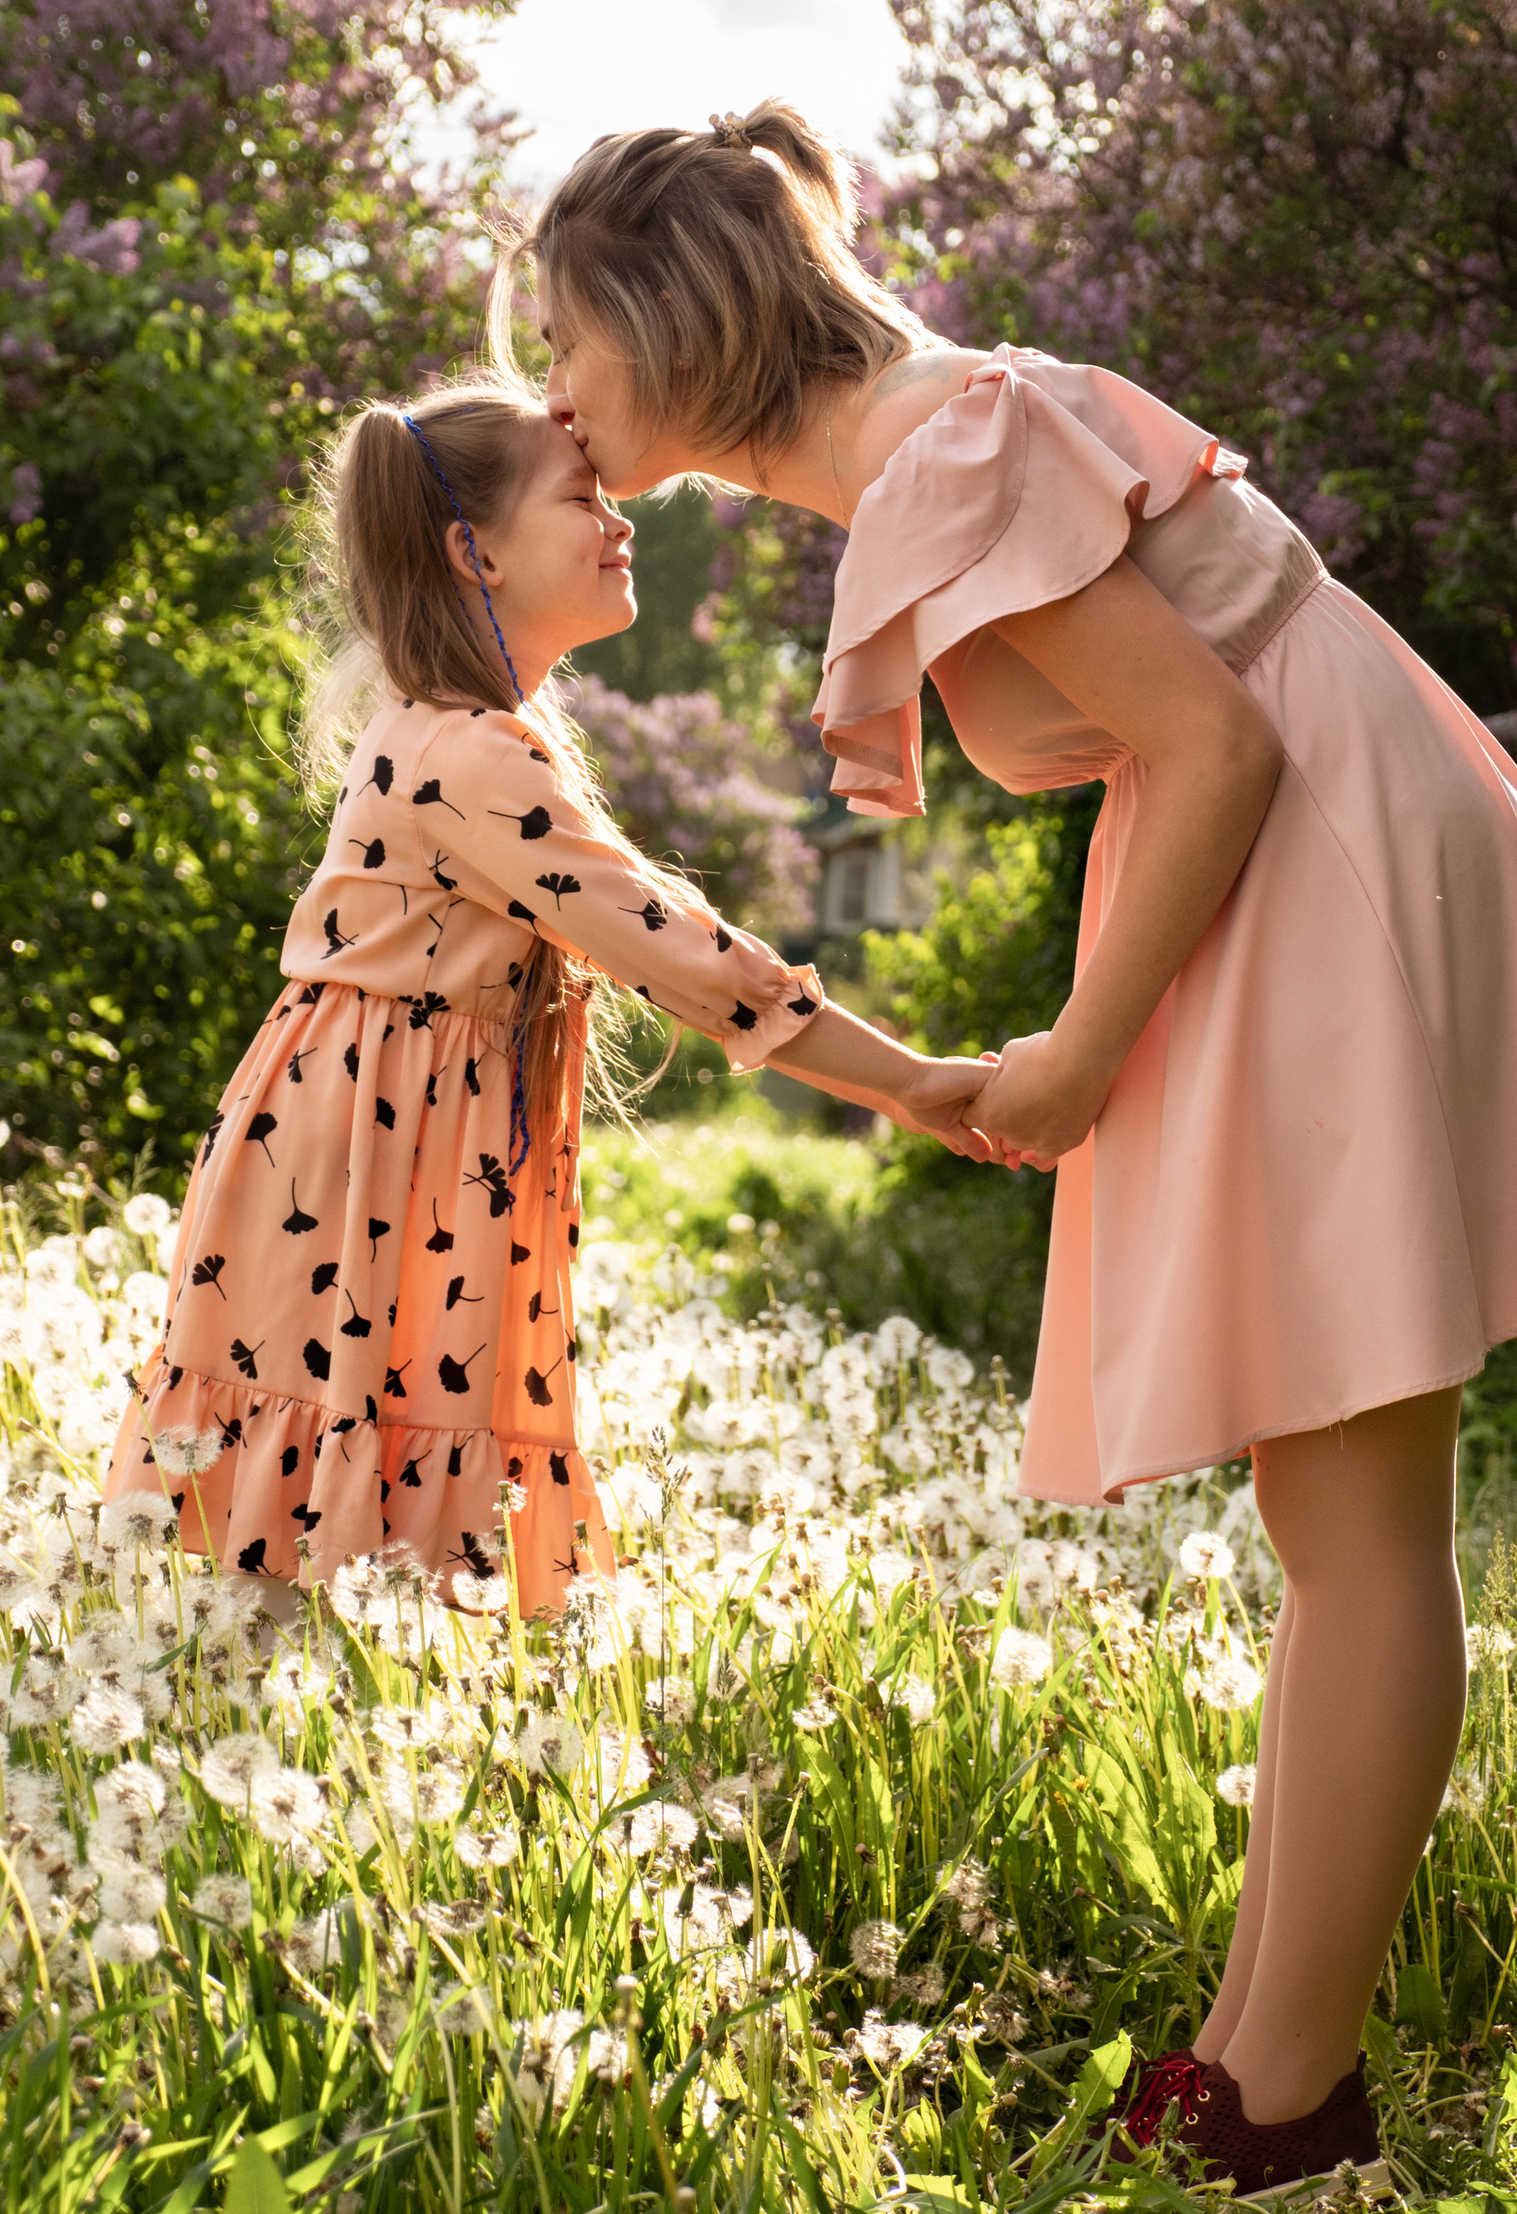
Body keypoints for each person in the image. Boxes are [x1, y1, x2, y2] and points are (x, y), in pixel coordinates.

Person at [501, 107, 1517, 2197]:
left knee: (1360, 1511)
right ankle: (1249, 2057)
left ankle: (1286, 2101)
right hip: (1317, 825)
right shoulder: (935, 438)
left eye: (563, 338)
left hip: (1312, 835)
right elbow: (1200, 736)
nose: (549, 393)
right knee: (1339, 1510)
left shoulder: (943, 446)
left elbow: (1215, 740)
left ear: (671, 321)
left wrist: (1068, 1058)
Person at [100, 379, 995, 1614]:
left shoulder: (448, 729)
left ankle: (304, 1747)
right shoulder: (470, 750)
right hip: (369, 1156)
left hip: (368, 1138)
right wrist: (912, 1083)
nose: (622, 523)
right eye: (583, 499)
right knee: (326, 1547)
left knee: (330, 1544)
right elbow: (679, 952)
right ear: (475, 552)